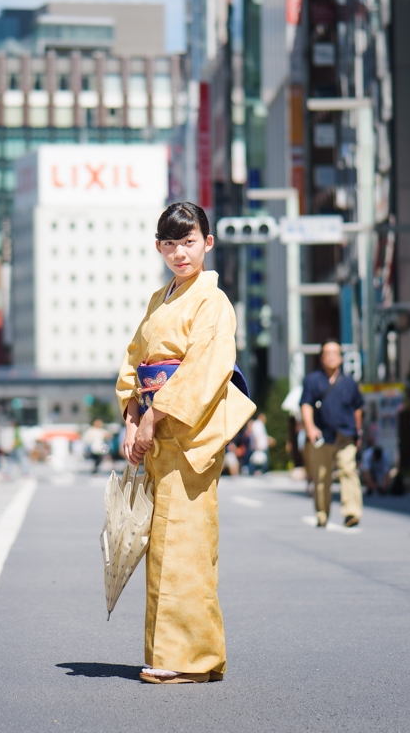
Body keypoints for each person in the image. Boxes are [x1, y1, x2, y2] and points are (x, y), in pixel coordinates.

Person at [116, 202, 255, 685]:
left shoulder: (213, 303)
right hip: (158, 433)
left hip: (188, 434)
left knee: (185, 544)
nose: (180, 252)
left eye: (189, 241)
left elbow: (203, 369)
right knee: (164, 547)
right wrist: (132, 416)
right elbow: (136, 361)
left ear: (208, 243)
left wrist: (153, 416)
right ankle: (184, 653)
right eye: (170, 243)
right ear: (159, 247)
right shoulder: (161, 299)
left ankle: (187, 657)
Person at [300, 339, 365, 528]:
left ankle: (352, 512)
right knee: (321, 476)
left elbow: (358, 408)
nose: (331, 357)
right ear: (321, 358)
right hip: (322, 435)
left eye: (335, 353)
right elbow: (306, 405)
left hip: (346, 434)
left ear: (341, 357)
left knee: (348, 470)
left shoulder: (349, 382)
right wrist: (310, 427)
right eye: (327, 353)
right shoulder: (312, 380)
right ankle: (322, 513)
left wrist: (358, 432)